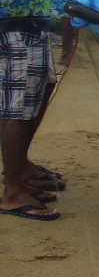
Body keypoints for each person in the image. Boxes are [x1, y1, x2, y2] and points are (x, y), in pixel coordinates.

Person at [0, 16, 61, 220]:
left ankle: (19, 176)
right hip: (19, 28)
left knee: (27, 100)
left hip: (23, 25)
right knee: (18, 107)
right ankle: (13, 193)